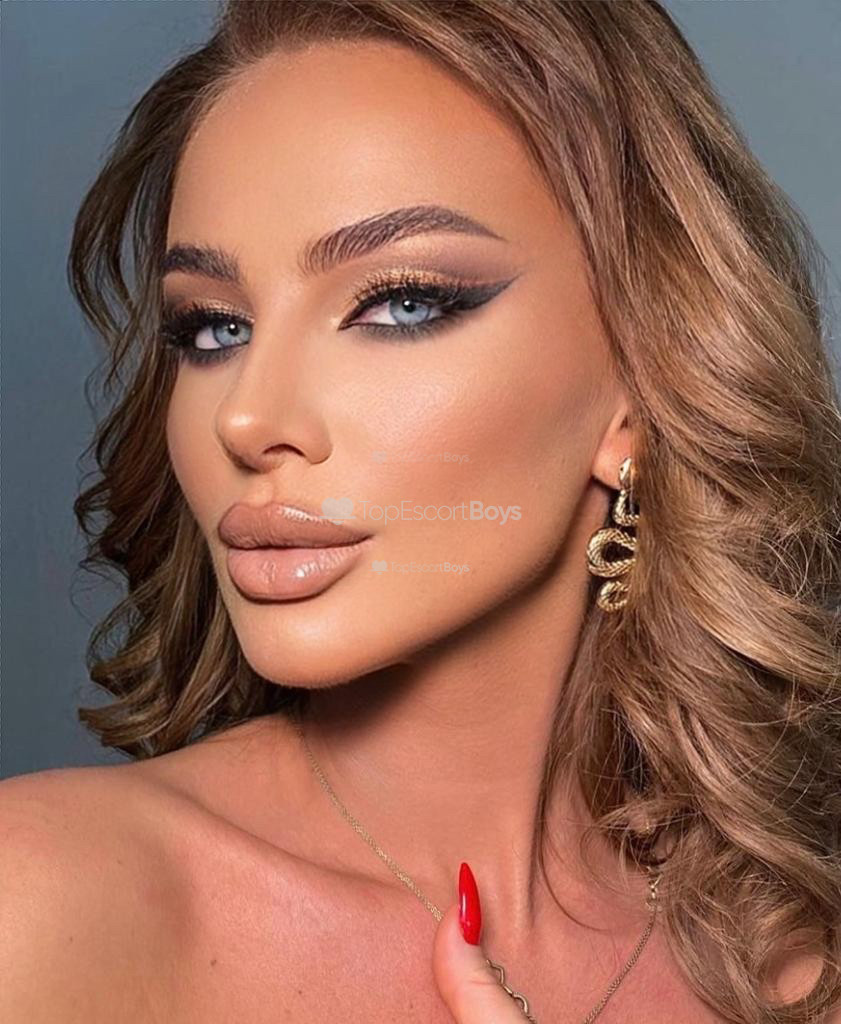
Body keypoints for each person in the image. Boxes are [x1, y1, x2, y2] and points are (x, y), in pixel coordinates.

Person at [2, 1, 840, 1022]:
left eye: (401, 303)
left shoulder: (793, 971)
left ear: (640, 384)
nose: (247, 418)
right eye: (212, 327)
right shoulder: (40, 906)